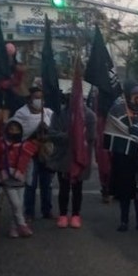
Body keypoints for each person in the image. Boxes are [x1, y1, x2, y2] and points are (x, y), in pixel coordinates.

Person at [46, 89, 96, 229]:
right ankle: (63, 214)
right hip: (63, 157)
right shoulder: (59, 113)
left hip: (81, 158)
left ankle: (75, 214)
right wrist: (67, 136)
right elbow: (52, 133)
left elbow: (92, 137)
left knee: (77, 188)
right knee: (64, 187)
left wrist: (80, 138)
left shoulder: (90, 115)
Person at [107, 82, 138, 232]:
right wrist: (130, 134)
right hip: (124, 156)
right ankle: (124, 221)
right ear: (128, 96)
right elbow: (112, 129)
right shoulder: (118, 110)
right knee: (125, 189)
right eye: (135, 96)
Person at [12, 86, 53, 222]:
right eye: (36, 98)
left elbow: (53, 132)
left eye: (41, 98)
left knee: (47, 183)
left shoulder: (48, 113)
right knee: (31, 183)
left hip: (45, 152)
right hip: (29, 153)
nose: (39, 101)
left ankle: (47, 210)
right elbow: (16, 132)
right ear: (29, 99)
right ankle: (29, 212)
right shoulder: (21, 114)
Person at [0, 119, 37, 238]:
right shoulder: (1, 145)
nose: (14, 131)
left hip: (21, 179)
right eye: (11, 129)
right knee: (16, 204)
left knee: (19, 205)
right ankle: (22, 224)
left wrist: (29, 179)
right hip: (7, 178)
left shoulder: (25, 146)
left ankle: (13, 228)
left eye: (16, 129)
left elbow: (29, 164)